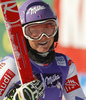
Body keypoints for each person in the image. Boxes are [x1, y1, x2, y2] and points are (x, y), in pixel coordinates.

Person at [0, 0, 86, 100]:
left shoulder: (65, 64)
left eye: (48, 29)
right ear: (23, 36)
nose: (43, 37)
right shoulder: (11, 66)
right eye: (34, 32)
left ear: (56, 31)